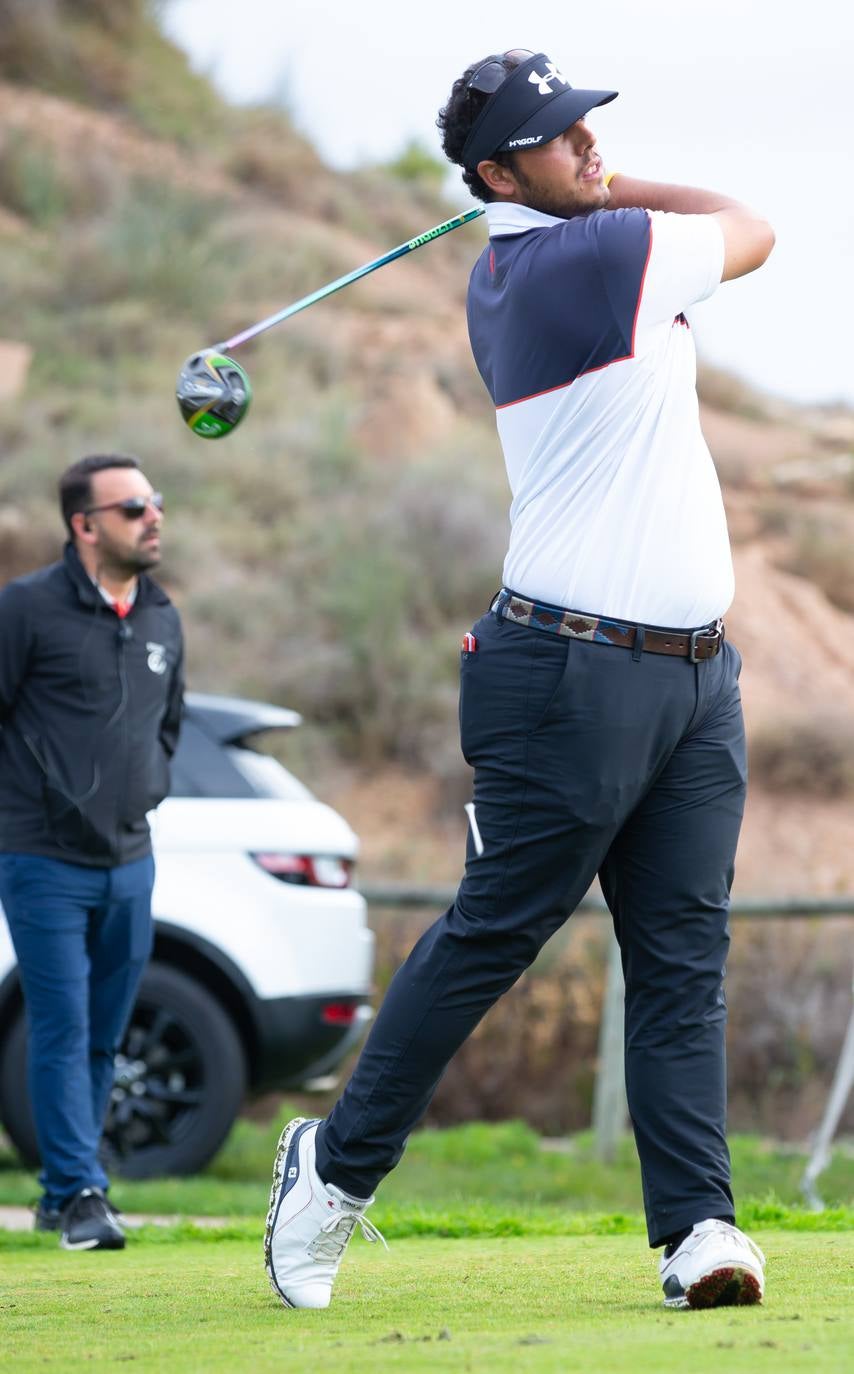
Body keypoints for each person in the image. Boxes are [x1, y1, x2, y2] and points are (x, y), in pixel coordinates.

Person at [264, 50, 774, 1312]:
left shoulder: (536, 256)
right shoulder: (582, 258)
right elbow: (754, 227)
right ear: (496, 175)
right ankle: (328, 1176)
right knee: (496, 934)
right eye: (559, 137)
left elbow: (692, 231)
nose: (590, 145)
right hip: (571, 671)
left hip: (692, 677)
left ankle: (697, 1228)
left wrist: (575, 185)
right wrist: (601, 199)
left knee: (678, 954)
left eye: (589, 123)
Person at [0, 455, 184, 1250]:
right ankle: (81, 1194)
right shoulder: (26, 611)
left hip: (130, 862)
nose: (153, 518)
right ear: (84, 525)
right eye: (133, 506)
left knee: (106, 1036)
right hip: (42, 859)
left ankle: (55, 1191)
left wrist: (146, 793)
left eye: (155, 503)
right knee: (62, 1028)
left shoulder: (163, 618)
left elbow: (165, 729)